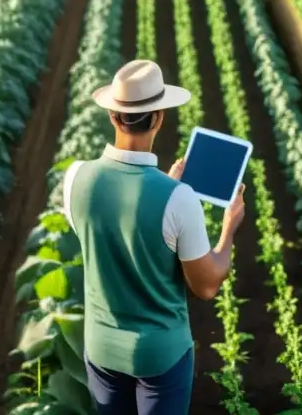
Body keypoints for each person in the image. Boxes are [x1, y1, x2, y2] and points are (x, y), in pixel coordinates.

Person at [62, 59, 247, 415]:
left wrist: (163, 189)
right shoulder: (179, 200)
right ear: (159, 117)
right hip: (160, 356)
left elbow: (115, 228)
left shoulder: (74, 180)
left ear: (113, 116)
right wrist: (229, 229)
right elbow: (206, 285)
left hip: (100, 348)